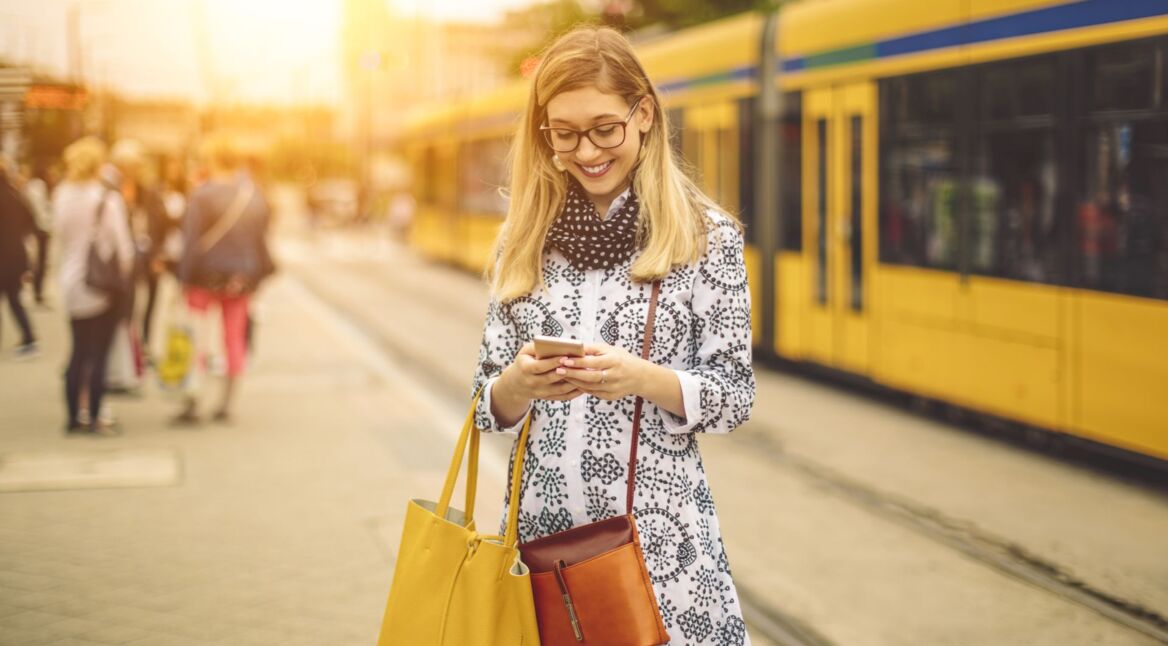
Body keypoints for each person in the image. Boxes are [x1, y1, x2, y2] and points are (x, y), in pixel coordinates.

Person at [471, 27, 755, 645]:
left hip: (663, 550)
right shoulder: (522, 243)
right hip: (541, 544)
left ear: (644, 114)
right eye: (564, 133)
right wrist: (515, 385)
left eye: (605, 128)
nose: (586, 150)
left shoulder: (707, 239)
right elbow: (483, 408)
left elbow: (735, 396)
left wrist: (643, 378)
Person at [174, 134, 273, 424]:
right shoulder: (253, 196)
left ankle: (193, 400)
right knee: (234, 338)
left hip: (203, 275)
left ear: (212, 160)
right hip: (241, 277)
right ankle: (227, 403)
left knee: (197, 338)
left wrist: (183, 277)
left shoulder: (202, 195)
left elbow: (190, 241)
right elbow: (261, 238)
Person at [54, 136, 134, 435]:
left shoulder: (61, 195)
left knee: (77, 351)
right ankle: (97, 415)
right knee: (98, 353)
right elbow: (123, 248)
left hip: (71, 280)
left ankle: (74, 417)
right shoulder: (106, 199)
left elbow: (59, 238)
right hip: (100, 285)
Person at [0, 157, 39, 358]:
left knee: (13, 299)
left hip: (3, 256)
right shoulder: (15, 195)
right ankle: (30, 338)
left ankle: (30, 338)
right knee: (15, 299)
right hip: (16, 254)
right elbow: (30, 220)